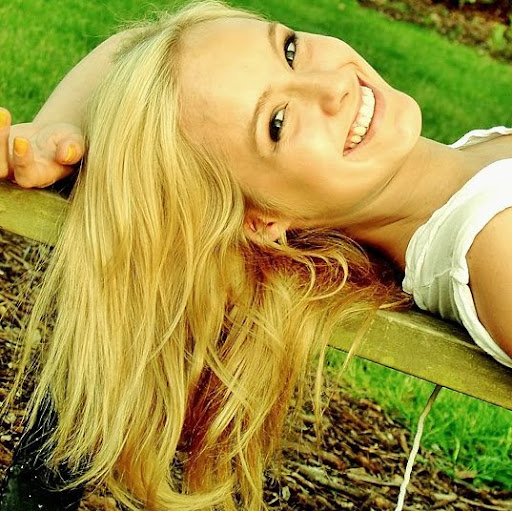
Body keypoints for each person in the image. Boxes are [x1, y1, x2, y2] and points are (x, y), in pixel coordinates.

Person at [0, 0, 511, 509]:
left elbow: (127, 49)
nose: (332, 86)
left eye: (289, 50)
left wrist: (54, 131)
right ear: (263, 221)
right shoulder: (494, 244)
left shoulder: (457, 180)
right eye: (278, 123)